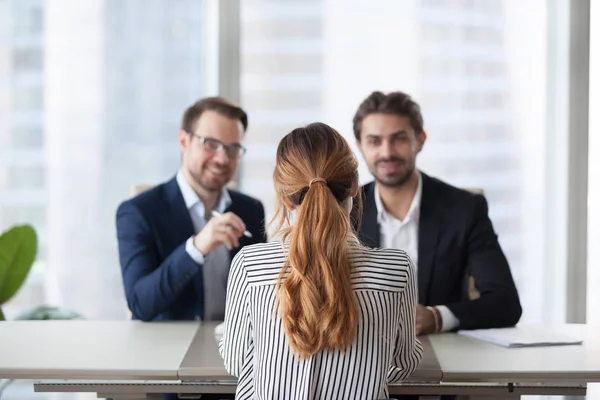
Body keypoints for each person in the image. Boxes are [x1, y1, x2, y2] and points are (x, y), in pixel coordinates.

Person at [219, 122, 423, 400]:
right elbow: (404, 363)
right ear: (353, 186)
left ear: (285, 197)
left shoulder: (249, 265)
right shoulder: (397, 270)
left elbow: (235, 361)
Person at [352, 90, 522, 335]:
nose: (387, 152)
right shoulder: (345, 210)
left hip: (443, 359)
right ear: (360, 146)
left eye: (398, 139)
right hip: (361, 357)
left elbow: (505, 303)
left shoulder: (464, 209)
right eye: (374, 141)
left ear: (420, 140)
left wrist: (436, 317)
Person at [116, 97, 267, 322]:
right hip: (169, 351)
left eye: (233, 148)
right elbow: (140, 303)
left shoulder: (251, 210)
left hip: (238, 348)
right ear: (184, 141)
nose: (222, 158)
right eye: (211, 144)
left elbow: (261, 297)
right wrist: (196, 248)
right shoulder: (138, 212)